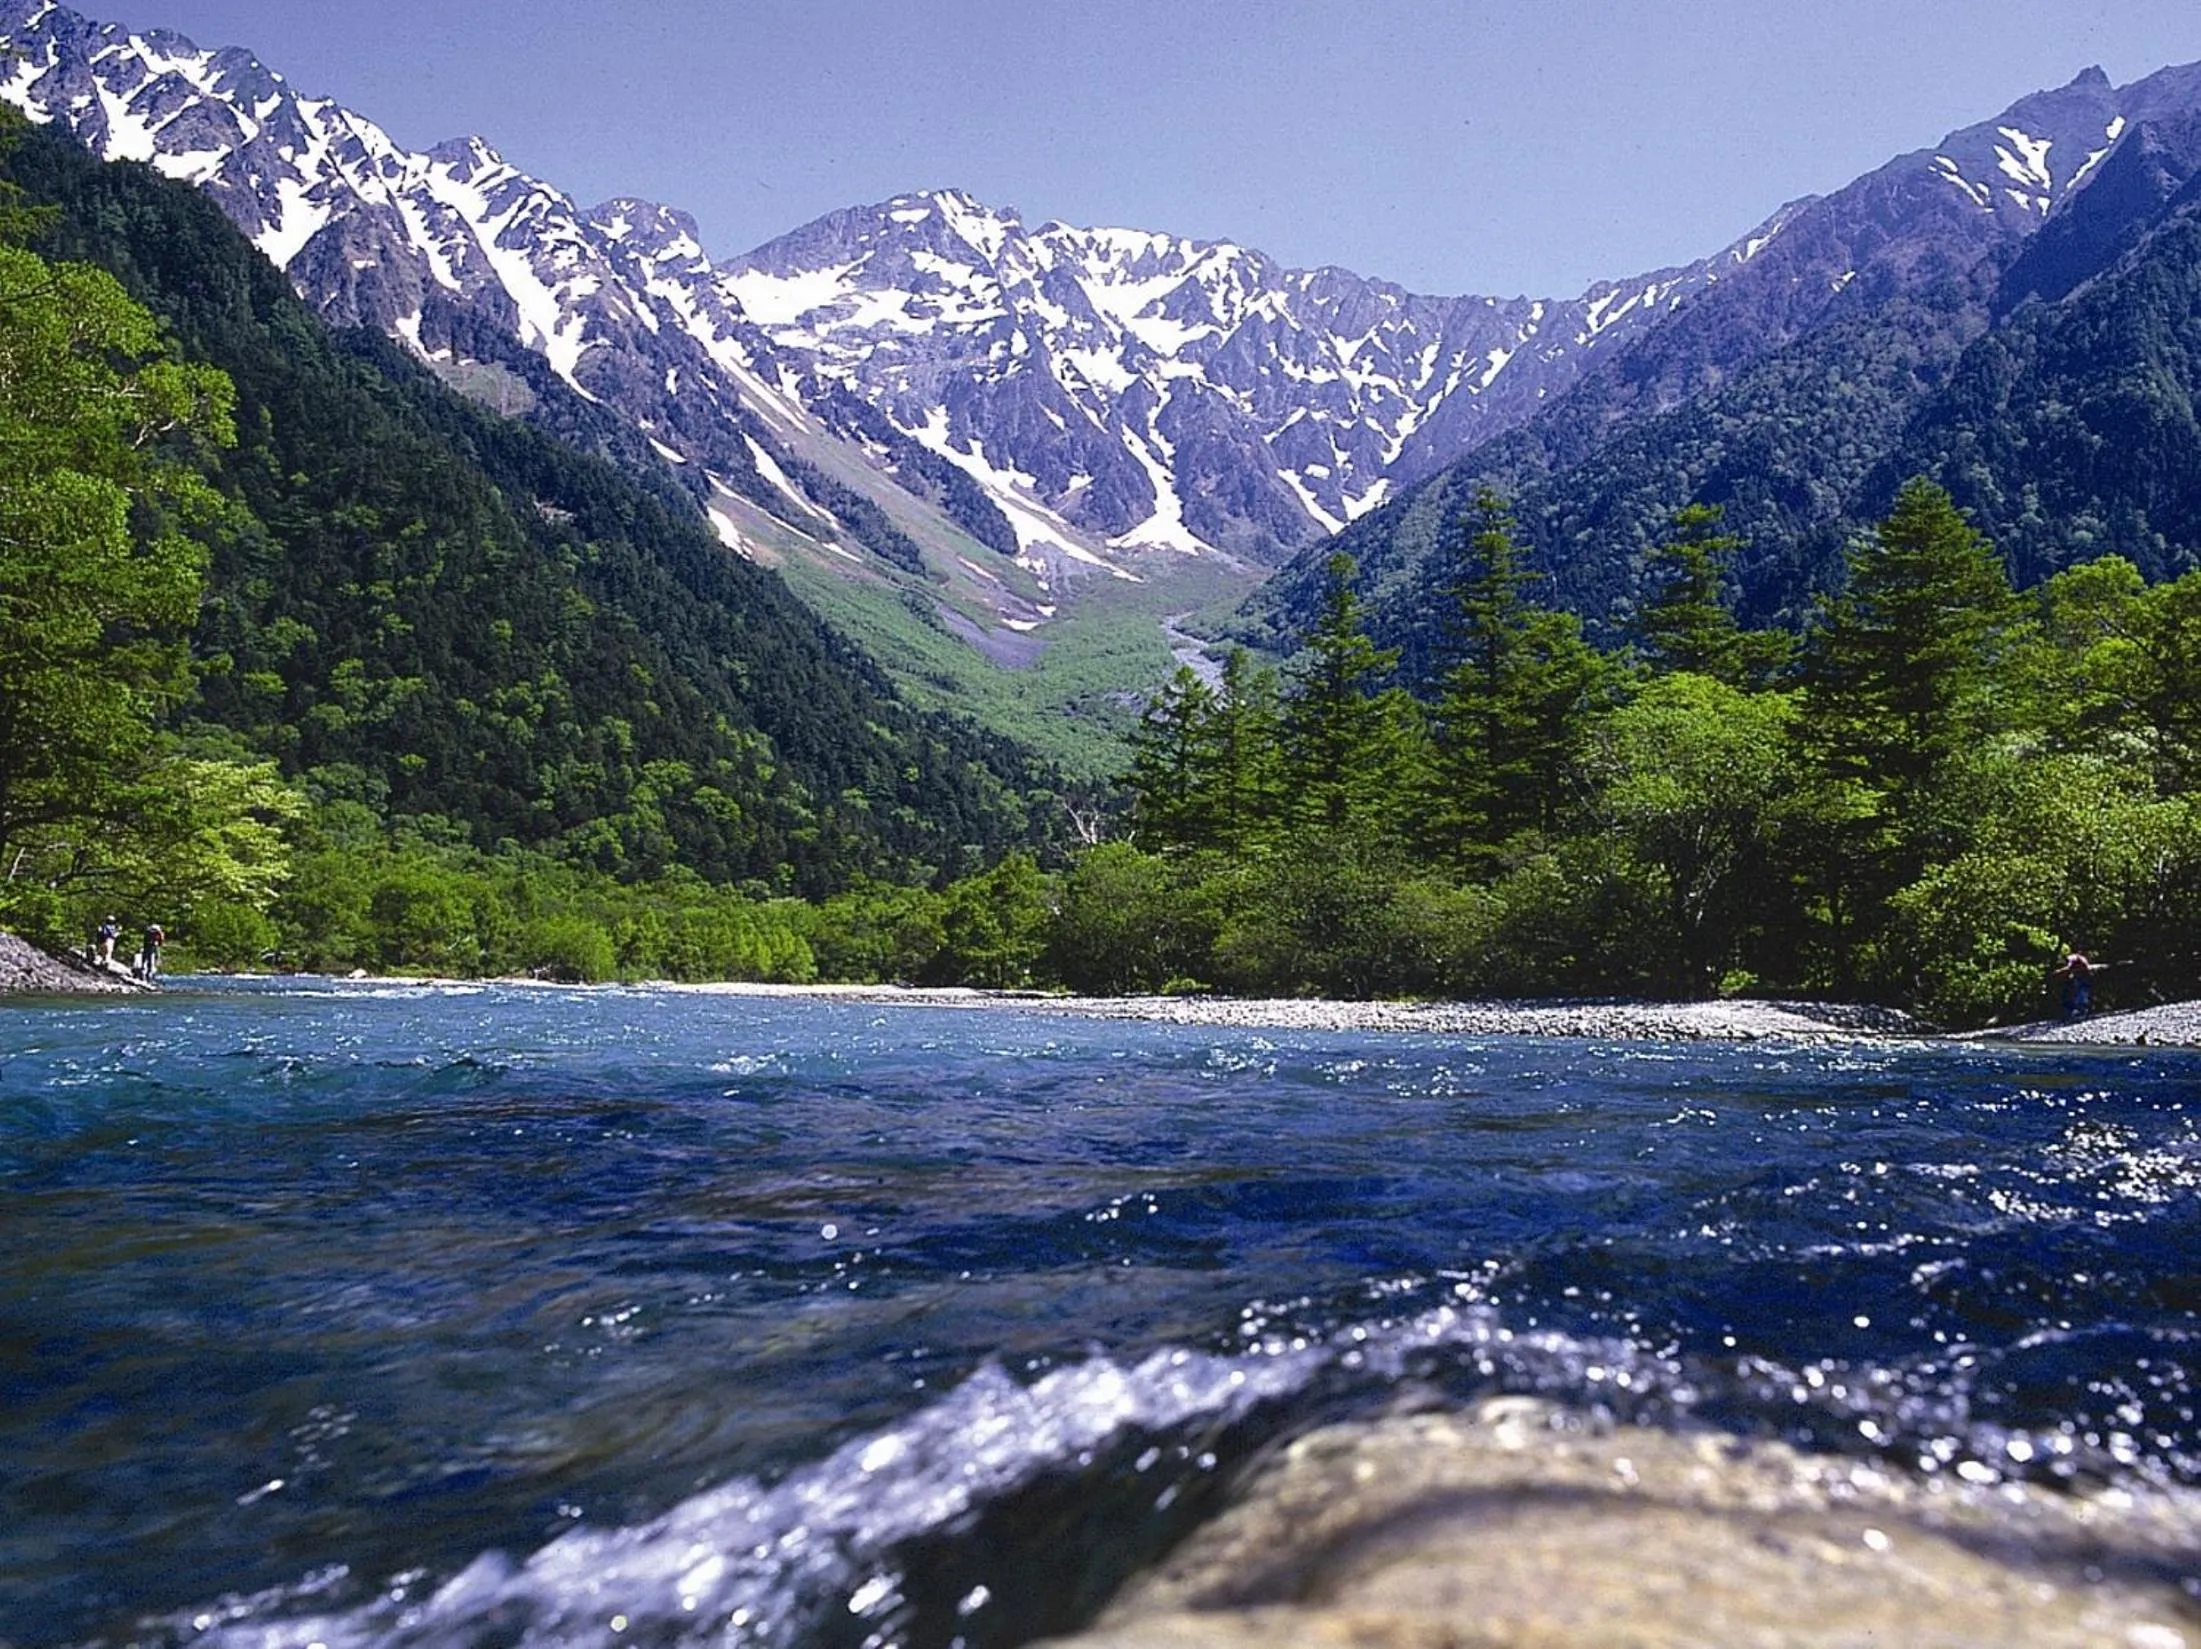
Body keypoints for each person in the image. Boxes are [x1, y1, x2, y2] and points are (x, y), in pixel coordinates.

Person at [2053, 948, 2105, 1019]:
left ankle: (2081, 1009)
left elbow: (2069, 966)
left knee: (2082, 991)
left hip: (2082, 975)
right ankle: (2083, 1009)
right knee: (2081, 990)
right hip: (2081, 975)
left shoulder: (2071, 958)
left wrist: (2059, 971)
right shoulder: (2079, 957)